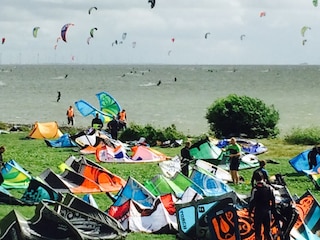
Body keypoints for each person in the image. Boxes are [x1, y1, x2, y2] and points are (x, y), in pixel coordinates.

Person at [249, 172, 276, 240]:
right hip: (267, 211)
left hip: (258, 212)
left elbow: (252, 202)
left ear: (255, 179)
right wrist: (273, 211)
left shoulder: (255, 189)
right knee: (268, 232)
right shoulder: (269, 188)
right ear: (263, 178)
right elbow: (273, 200)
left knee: (258, 232)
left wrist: (249, 213)